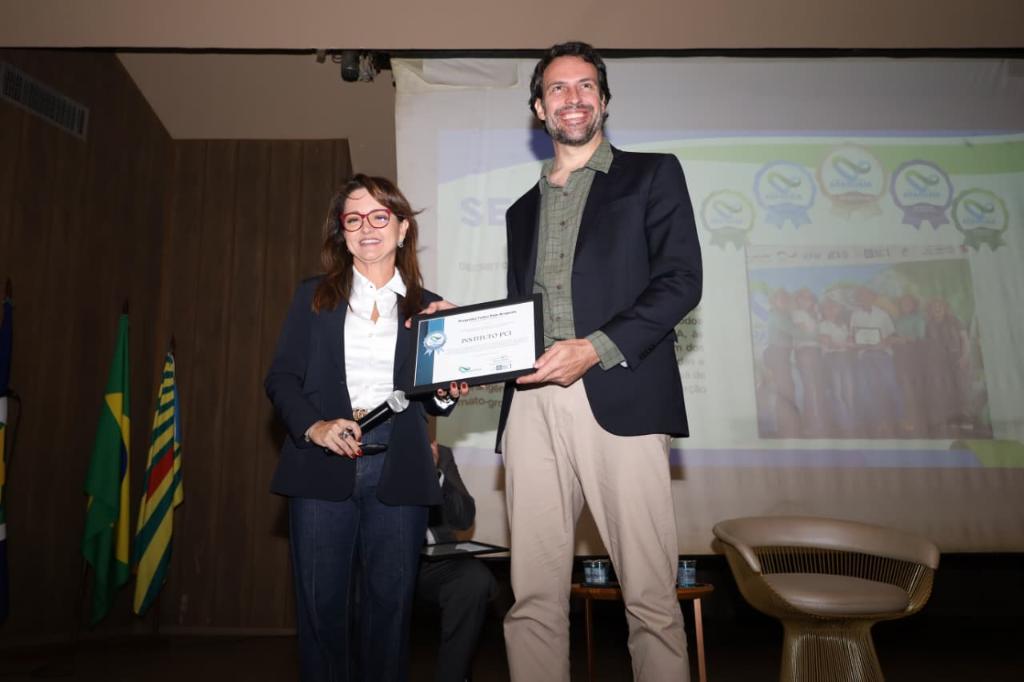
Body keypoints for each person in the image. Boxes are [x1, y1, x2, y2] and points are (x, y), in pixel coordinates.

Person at [497, 41, 702, 682]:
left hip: (620, 389)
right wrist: (463, 340)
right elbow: (520, 314)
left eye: (586, 85)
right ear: (539, 108)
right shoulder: (520, 211)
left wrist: (593, 348)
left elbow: (681, 281)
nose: (573, 98)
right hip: (531, 404)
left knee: (649, 595)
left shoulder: (653, 174)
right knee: (532, 597)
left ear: (604, 101)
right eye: (558, 88)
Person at [265, 174, 469, 682]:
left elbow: (436, 397)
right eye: (353, 219)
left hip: (399, 470)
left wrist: (448, 390)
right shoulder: (313, 296)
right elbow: (281, 378)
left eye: (380, 217)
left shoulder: (431, 306)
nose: (367, 228)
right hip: (321, 465)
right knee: (320, 612)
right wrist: (314, 427)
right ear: (342, 232)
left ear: (402, 228)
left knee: (390, 613)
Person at [417, 441, 497, 682]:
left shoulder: (440, 453)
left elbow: (464, 518)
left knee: (474, 579)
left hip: (431, 562)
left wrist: (435, 475)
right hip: (384, 560)